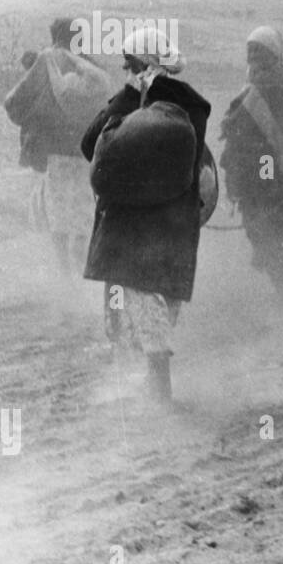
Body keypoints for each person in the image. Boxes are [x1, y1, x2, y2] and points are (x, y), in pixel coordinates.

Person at [81, 29, 211, 401]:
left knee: (136, 296)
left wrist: (125, 98)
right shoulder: (192, 106)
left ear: (145, 66)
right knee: (159, 301)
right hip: (177, 223)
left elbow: (90, 144)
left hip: (134, 224)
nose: (124, 68)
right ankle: (154, 385)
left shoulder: (132, 104)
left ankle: (158, 390)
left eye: (130, 63)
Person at [218, 27, 283, 299]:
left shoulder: (256, 90)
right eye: (250, 52)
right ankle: (281, 277)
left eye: (257, 51)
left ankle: (280, 282)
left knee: (263, 226)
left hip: (266, 173)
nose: (252, 57)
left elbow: (233, 125)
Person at [4, 18, 111, 274]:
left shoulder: (46, 60)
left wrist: (35, 115)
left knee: (60, 214)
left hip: (56, 150)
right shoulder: (91, 66)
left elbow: (13, 102)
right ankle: (82, 269)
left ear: (54, 37)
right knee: (85, 212)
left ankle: (65, 278)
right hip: (88, 152)